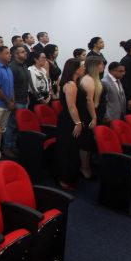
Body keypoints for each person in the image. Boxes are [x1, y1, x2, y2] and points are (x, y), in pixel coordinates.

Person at [55, 58, 89, 190]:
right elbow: (71, 106)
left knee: (73, 149)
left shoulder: (75, 83)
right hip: (69, 121)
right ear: (75, 69)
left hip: (72, 119)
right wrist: (78, 123)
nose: (84, 68)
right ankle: (63, 178)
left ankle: (69, 176)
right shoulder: (70, 84)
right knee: (67, 149)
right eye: (82, 66)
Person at [4, 45, 34, 152]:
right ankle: (7, 147)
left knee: (18, 125)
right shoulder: (12, 67)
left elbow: (25, 83)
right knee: (11, 125)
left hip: (24, 99)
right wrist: (12, 101)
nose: (25, 53)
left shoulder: (23, 65)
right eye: (22, 52)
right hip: (17, 101)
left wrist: (27, 96)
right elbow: (10, 86)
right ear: (16, 54)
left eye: (25, 51)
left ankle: (14, 146)